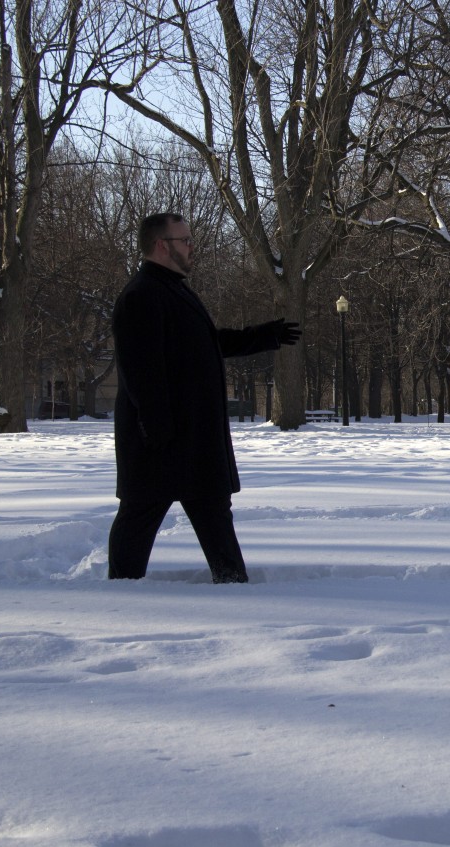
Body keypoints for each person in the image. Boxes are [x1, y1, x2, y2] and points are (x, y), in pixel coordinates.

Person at [107, 213, 301, 583]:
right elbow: (140, 371)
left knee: (212, 510)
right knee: (140, 515)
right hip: (161, 442)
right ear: (162, 245)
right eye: (185, 241)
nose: (192, 247)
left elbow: (204, 344)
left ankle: (232, 582)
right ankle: (122, 589)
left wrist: (264, 336)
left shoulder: (171, 288)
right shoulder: (141, 295)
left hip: (190, 438)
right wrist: (157, 428)